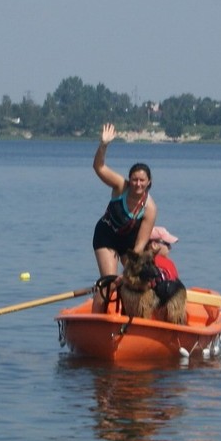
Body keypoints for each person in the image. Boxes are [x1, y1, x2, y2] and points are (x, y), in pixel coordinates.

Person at [92, 123, 157, 312]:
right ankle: (96, 318)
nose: (137, 184)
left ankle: (132, 317)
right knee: (110, 283)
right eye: (134, 179)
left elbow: (138, 248)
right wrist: (103, 145)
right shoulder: (121, 186)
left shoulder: (150, 208)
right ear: (129, 179)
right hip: (106, 236)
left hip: (129, 245)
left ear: (148, 182)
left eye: (142, 181)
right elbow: (98, 167)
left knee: (138, 281)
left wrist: (129, 273)